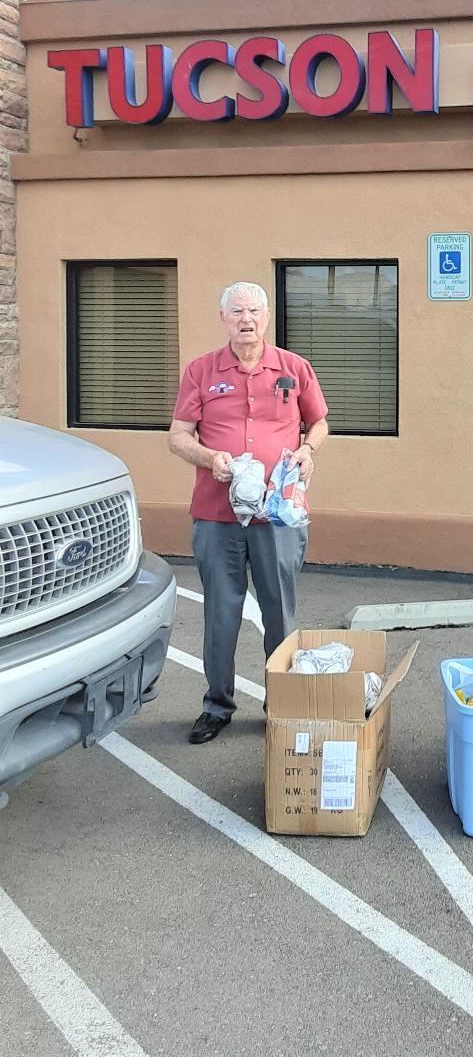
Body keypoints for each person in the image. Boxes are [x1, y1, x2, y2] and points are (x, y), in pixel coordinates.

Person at [169, 281, 329, 743]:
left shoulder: (293, 368)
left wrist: (306, 449)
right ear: (223, 318)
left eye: (254, 311)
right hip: (217, 515)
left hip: (276, 514)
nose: (246, 319)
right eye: (237, 311)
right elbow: (178, 435)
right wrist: (208, 458)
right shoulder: (201, 371)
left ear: (266, 317)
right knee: (221, 612)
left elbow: (318, 422)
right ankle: (217, 706)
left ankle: (279, 703)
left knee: (279, 611)